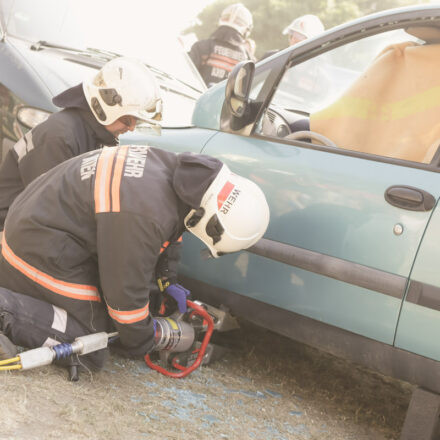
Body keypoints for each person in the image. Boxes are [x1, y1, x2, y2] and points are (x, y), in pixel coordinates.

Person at [0, 145, 270, 371]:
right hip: (36, 249)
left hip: (42, 228)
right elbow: (125, 302)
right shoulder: (143, 214)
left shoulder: (181, 177)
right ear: (211, 221)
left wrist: (166, 280)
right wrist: (143, 341)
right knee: (94, 343)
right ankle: (5, 308)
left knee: (116, 317)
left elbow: (174, 228)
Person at [0, 56, 162, 230]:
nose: (131, 128)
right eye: (127, 120)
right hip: (11, 228)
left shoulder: (95, 135)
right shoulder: (60, 137)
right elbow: (50, 211)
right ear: (104, 106)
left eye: (136, 122)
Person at [188, 3, 253, 87]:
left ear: (221, 20)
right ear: (247, 30)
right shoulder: (248, 60)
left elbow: (185, 79)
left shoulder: (201, 46)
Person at [260, 14, 325, 60]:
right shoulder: (273, 58)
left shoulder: (321, 71)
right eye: (291, 34)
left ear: (315, 44)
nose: (293, 39)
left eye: (299, 36)